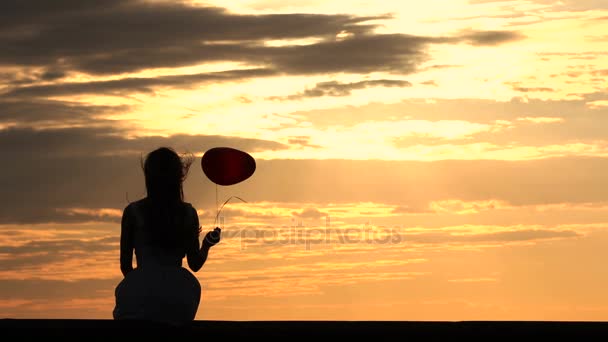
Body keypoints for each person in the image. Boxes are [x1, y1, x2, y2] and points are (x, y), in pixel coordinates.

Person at [113, 147, 221, 324]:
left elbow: (125, 266)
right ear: (179, 176)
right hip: (179, 294)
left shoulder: (133, 212)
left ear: (149, 177)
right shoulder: (188, 213)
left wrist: (143, 286)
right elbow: (194, 264)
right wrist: (207, 245)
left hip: (139, 291)